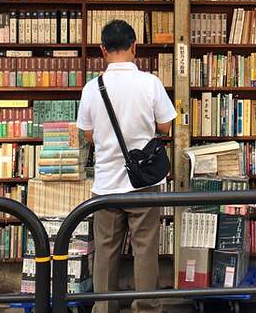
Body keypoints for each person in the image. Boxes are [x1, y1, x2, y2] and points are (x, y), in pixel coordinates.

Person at [76, 19, 176, 313]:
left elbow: (89, 135)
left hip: (106, 185)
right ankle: (145, 307)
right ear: (135, 46)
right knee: (145, 250)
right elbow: (165, 126)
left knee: (105, 251)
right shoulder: (151, 83)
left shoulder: (92, 88)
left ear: (102, 50)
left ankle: (105, 308)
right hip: (143, 182)